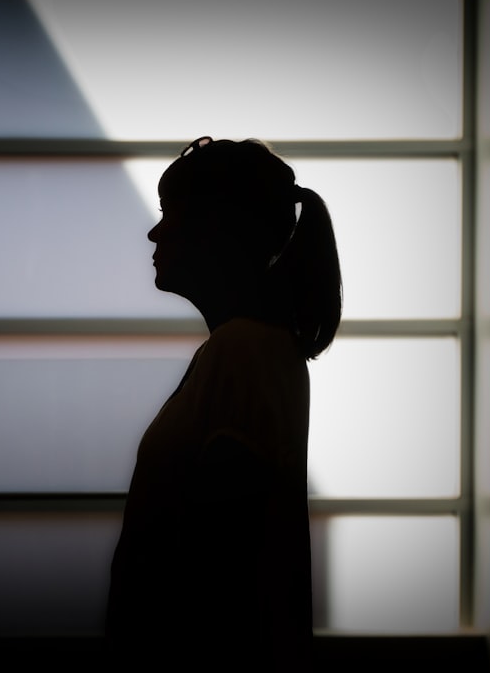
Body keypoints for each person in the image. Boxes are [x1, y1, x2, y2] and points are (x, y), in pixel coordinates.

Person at [105, 137, 342, 668]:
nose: (154, 230)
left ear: (218, 233)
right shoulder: (258, 348)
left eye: (170, 214)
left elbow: (215, 563)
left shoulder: (241, 352)